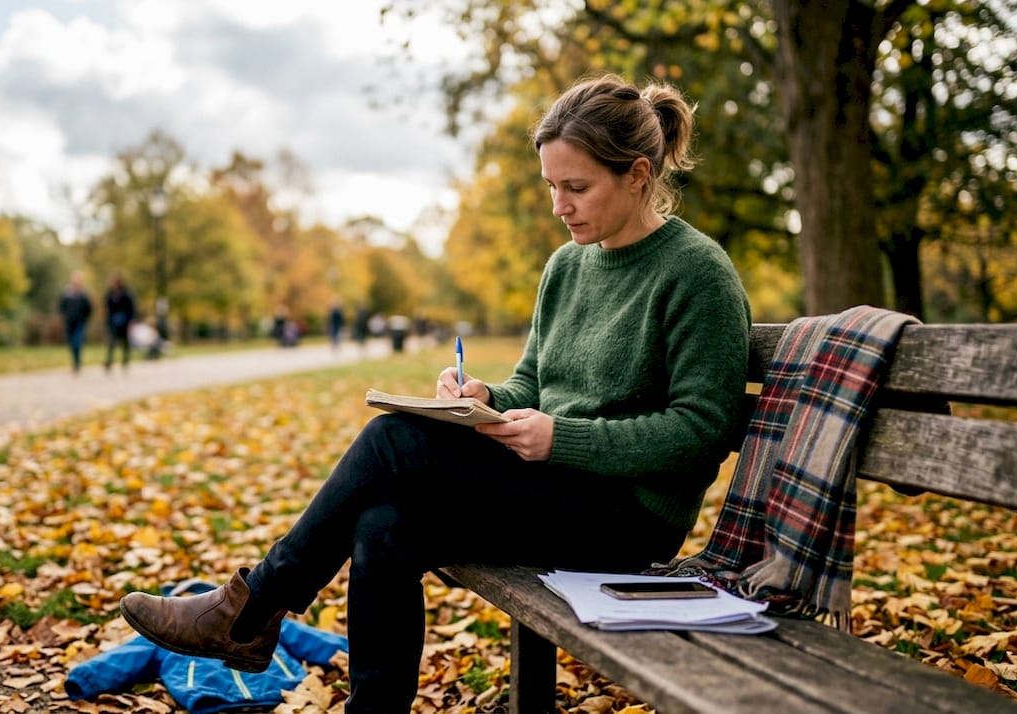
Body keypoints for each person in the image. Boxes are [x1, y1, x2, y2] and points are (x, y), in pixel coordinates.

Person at [118, 74, 752, 712]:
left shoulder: (696, 273)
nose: (560, 205)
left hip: (627, 518)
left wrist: (563, 436)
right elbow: (534, 382)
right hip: (552, 489)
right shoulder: (567, 265)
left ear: (639, 174)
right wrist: (482, 397)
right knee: (383, 525)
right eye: (552, 186)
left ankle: (249, 608)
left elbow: (702, 431)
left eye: (577, 187)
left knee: (395, 440)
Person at [58, 271, 92, 374]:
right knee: (71, 343)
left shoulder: (83, 294)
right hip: (69, 321)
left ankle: (77, 363)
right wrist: (63, 316)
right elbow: (62, 306)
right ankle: (75, 362)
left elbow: (89, 308)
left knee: (77, 342)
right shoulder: (67, 293)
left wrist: (85, 318)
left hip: (80, 321)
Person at [103, 273, 137, 372]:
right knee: (112, 342)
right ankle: (109, 361)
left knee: (125, 342)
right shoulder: (110, 293)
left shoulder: (126, 293)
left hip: (124, 322)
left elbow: (131, 308)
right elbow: (107, 307)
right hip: (113, 322)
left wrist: (131, 321)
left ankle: (125, 361)